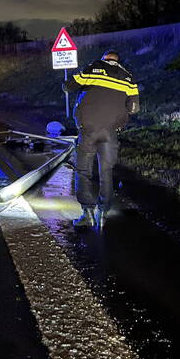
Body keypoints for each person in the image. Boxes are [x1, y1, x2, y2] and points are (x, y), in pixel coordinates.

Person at [63, 50, 140, 228]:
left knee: (83, 170)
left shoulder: (94, 68)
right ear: (118, 61)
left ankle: (87, 213)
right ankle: (103, 212)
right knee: (107, 171)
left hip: (88, 129)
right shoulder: (128, 78)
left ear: (104, 59)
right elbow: (134, 108)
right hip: (111, 131)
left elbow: (69, 85)